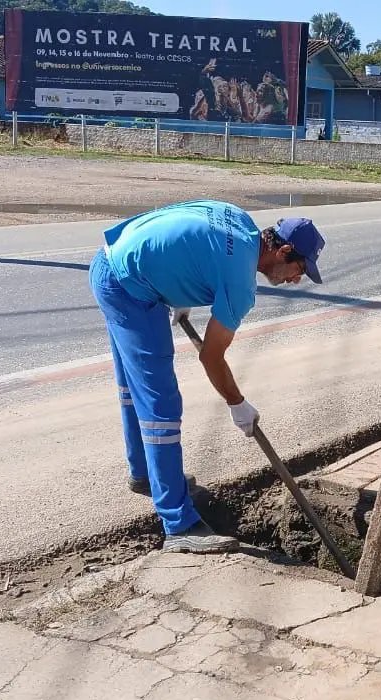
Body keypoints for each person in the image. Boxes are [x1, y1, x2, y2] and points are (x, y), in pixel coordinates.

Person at [89, 200, 326, 553]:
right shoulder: (240, 285)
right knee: (160, 405)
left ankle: (145, 475)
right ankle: (179, 525)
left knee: (132, 389)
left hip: (112, 261)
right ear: (283, 251)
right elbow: (211, 356)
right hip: (129, 289)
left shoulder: (238, 218)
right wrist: (237, 403)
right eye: (299, 269)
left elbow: (179, 224)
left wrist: (174, 288)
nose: (295, 279)